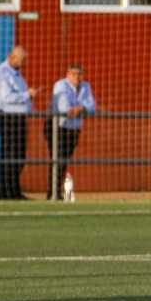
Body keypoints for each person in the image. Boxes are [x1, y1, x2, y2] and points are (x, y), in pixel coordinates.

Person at [0, 45, 33, 200]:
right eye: (22, 60)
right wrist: (27, 94)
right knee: (10, 154)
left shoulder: (16, 74)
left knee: (19, 155)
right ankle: (5, 191)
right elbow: (6, 97)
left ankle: (14, 190)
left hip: (19, 118)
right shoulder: (3, 73)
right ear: (12, 57)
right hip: (9, 118)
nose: (24, 64)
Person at [48, 63, 95, 200]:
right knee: (57, 160)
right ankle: (53, 192)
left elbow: (92, 105)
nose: (77, 77)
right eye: (73, 74)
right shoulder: (61, 85)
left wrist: (82, 108)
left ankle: (56, 191)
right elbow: (65, 108)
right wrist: (79, 108)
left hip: (74, 129)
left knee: (64, 160)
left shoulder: (86, 87)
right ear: (68, 75)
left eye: (79, 74)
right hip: (58, 127)